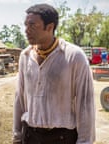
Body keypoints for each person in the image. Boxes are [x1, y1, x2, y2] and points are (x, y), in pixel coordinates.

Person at [13, 4, 95, 144]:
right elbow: (19, 98)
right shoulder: (25, 56)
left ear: (50, 27)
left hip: (62, 137)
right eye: (25, 25)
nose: (26, 30)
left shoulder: (73, 56)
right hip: (30, 136)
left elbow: (85, 104)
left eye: (32, 25)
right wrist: (17, 136)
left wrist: (84, 141)